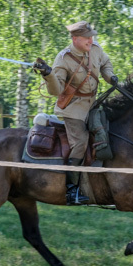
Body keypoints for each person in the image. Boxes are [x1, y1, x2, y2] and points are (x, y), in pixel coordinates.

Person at [33, 21, 118, 205]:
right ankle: (71, 189)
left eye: (92, 36)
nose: (91, 40)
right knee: (80, 142)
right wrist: (48, 75)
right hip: (73, 108)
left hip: (93, 104)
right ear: (75, 38)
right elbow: (55, 91)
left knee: (109, 133)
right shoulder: (63, 59)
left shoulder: (95, 49)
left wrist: (110, 76)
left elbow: (105, 63)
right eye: (87, 37)